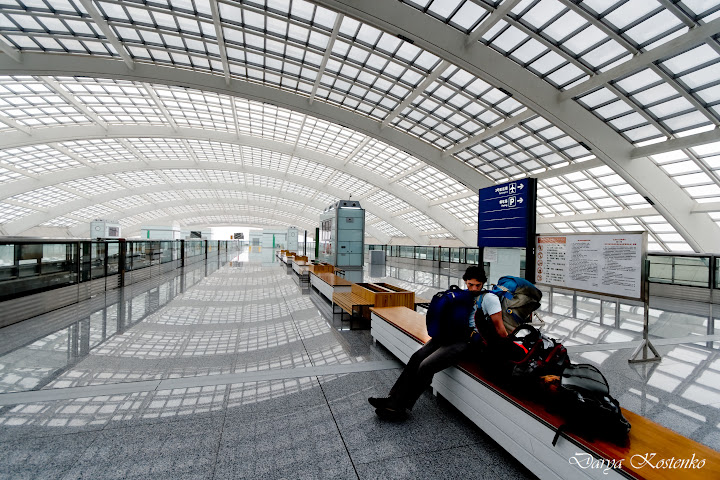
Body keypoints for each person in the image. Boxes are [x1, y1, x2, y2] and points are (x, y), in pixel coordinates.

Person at [369, 265, 505, 420]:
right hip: (452, 335)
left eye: (477, 285)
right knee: (416, 357)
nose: (473, 288)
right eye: (470, 284)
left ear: (483, 283)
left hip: (468, 343)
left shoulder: (489, 299)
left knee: (426, 365)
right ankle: (392, 399)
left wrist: (504, 348)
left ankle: (400, 406)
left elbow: (500, 329)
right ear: (465, 282)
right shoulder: (463, 295)